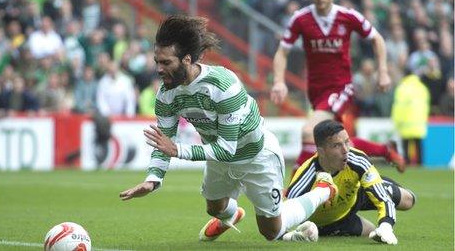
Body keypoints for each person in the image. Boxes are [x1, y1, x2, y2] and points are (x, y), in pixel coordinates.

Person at [119, 14, 338, 242]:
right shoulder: (166, 94)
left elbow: (226, 149)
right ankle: (234, 215)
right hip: (220, 158)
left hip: (255, 156)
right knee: (214, 208)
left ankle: (323, 190)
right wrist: (153, 179)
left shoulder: (223, 85)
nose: (159, 69)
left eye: (166, 63)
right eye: (157, 62)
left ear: (186, 60)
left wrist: (178, 150)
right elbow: (163, 141)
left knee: (271, 232)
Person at [270, 0, 405, 176]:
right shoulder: (301, 19)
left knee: (309, 132)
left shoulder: (348, 16)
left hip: (341, 87)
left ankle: (294, 188)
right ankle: (385, 150)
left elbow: (377, 39)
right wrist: (278, 81)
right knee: (333, 141)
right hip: (316, 91)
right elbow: (282, 51)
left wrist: (382, 72)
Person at [285, 120, 416, 245]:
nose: (345, 150)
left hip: (358, 194)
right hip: (330, 223)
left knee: (408, 200)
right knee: (370, 230)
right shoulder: (304, 178)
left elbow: (383, 199)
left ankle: (377, 183)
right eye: (337, 145)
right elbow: (281, 219)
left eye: (347, 142)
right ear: (321, 151)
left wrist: (386, 226)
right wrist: (290, 236)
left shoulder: (357, 159)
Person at [391, 71, 430, 166]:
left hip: (406, 122)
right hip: (419, 122)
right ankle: (420, 163)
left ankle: (407, 163)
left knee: (406, 144)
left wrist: (396, 121)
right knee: (418, 144)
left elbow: (398, 107)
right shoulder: (422, 88)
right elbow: (426, 105)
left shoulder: (402, 88)